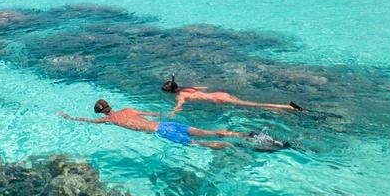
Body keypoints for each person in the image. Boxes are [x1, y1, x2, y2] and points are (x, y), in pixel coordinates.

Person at [58, 99, 250, 149]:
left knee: (200, 144)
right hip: (166, 123)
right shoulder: (129, 109)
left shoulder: (110, 120)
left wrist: (69, 117)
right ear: (110, 105)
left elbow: (88, 121)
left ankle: (229, 146)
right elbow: (155, 113)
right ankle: (241, 135)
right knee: (207, 132)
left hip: (163, 132)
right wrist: (173, 111)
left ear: (101, 112)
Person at [161, 75, 303, 115]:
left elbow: (180, 106)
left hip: (217, 98)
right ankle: (278, 110)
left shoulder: (180, 96)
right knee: (249, 104)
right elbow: (202, 88)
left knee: (253, 104)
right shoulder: (185, 88)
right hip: (219, 94)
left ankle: (288, 107)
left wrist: (172, 113)